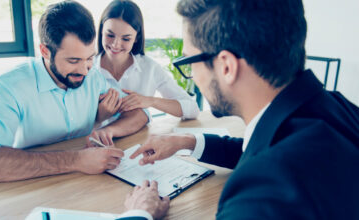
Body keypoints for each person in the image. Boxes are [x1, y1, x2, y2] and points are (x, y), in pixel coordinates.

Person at [119, 0, 359, 219]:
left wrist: (140, 214)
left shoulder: (260, 194)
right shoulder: (338, 109)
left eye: (190, 62)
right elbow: (264, 149)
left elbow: (270, 166)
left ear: (226, 66)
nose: (192, 74)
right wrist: (187, 141)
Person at [0, 0, 149, 182]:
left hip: (86, 184)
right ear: (45, 51)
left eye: (89, 58)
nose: (85, 70)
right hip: (29, 186)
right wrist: (75, 160)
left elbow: (140, 112)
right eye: (73, 61)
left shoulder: (94, 77)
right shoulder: (9, 86)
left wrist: (109, 131)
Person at [95, 0, 199, 124]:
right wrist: (98, 116)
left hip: (138, 140)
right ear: (101, 31)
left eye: (126, 38)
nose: (116, 44)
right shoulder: (87, 68)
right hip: (94, 141)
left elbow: (192, 109)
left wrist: (150, 101)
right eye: (110, 35)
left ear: (136, 38)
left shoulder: (149, 68)